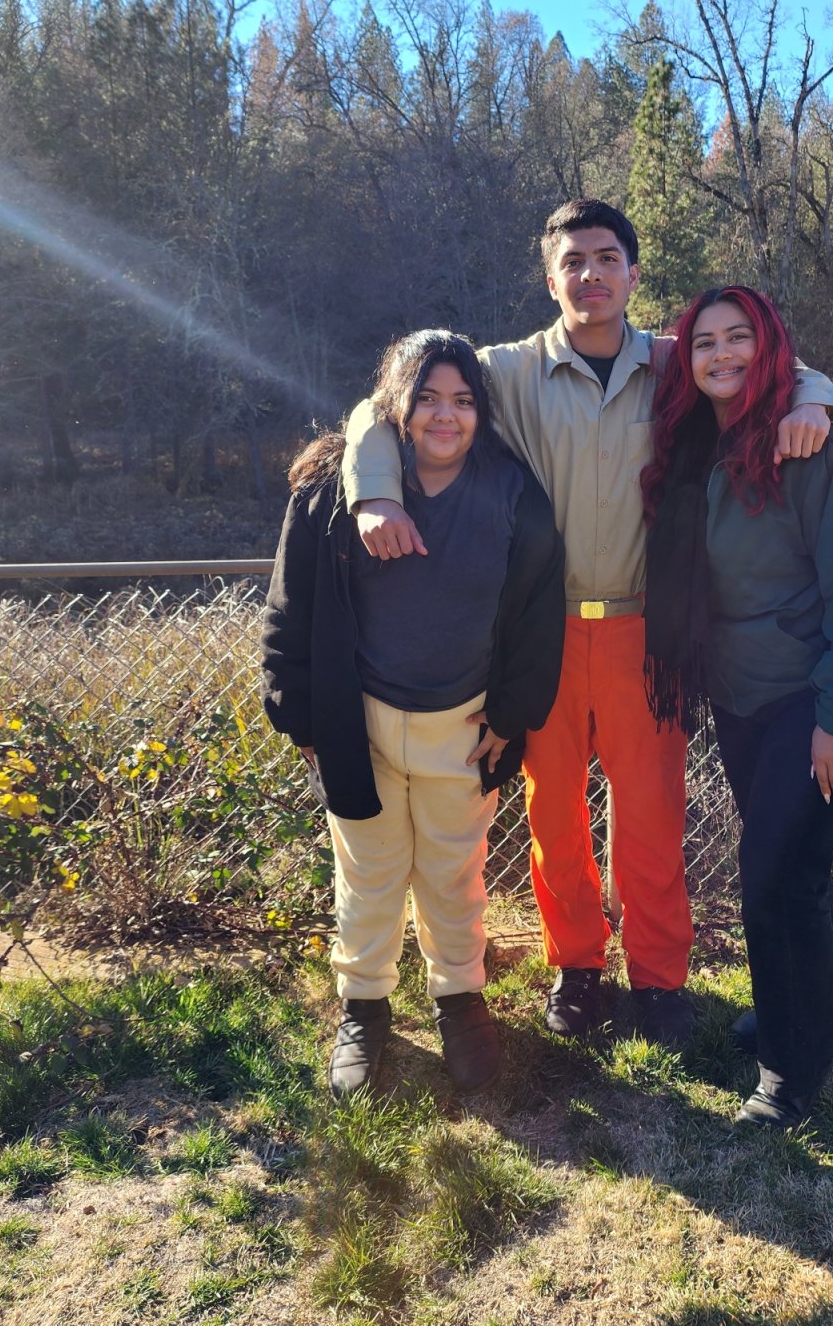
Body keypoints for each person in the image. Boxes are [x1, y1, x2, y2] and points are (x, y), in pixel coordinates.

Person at [340, 201, 833, 1048]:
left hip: (651, 631)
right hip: (540, 631)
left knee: (651, 815)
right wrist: (375, 490)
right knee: (554, 816)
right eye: (573, 262)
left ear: (634, 274)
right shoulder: (504, 371)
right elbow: (379, 406)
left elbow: (785, 372)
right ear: (550, 279)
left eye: (608, 259)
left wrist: (818, 407)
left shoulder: (680, 363)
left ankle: (658, 980)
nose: (592, 275)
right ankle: (577, 969)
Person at [641, 286, 833, 1127]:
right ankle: (792, 1011)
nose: (721, 355)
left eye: (740, 340)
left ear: (773, 351)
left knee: (772, 876)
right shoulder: (702, 445)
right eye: (705, 344)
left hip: (824, 695)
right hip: (744, 696)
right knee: (789, 871)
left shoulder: (822, 452)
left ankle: (788, 1076)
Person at [262, 331, 564, 1097]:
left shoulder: (513, 491)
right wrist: (300, 717)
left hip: (461, 727)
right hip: (358, 723)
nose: (445, 416)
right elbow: (289, 609)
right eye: (427, 398)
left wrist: (513, 712)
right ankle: (364, 1010)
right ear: (394, 403)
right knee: (367, 876)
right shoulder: (333, 489)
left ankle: (459, 1000)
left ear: (480, 413)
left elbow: (536, 613)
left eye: (462, 401)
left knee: (453, 876)